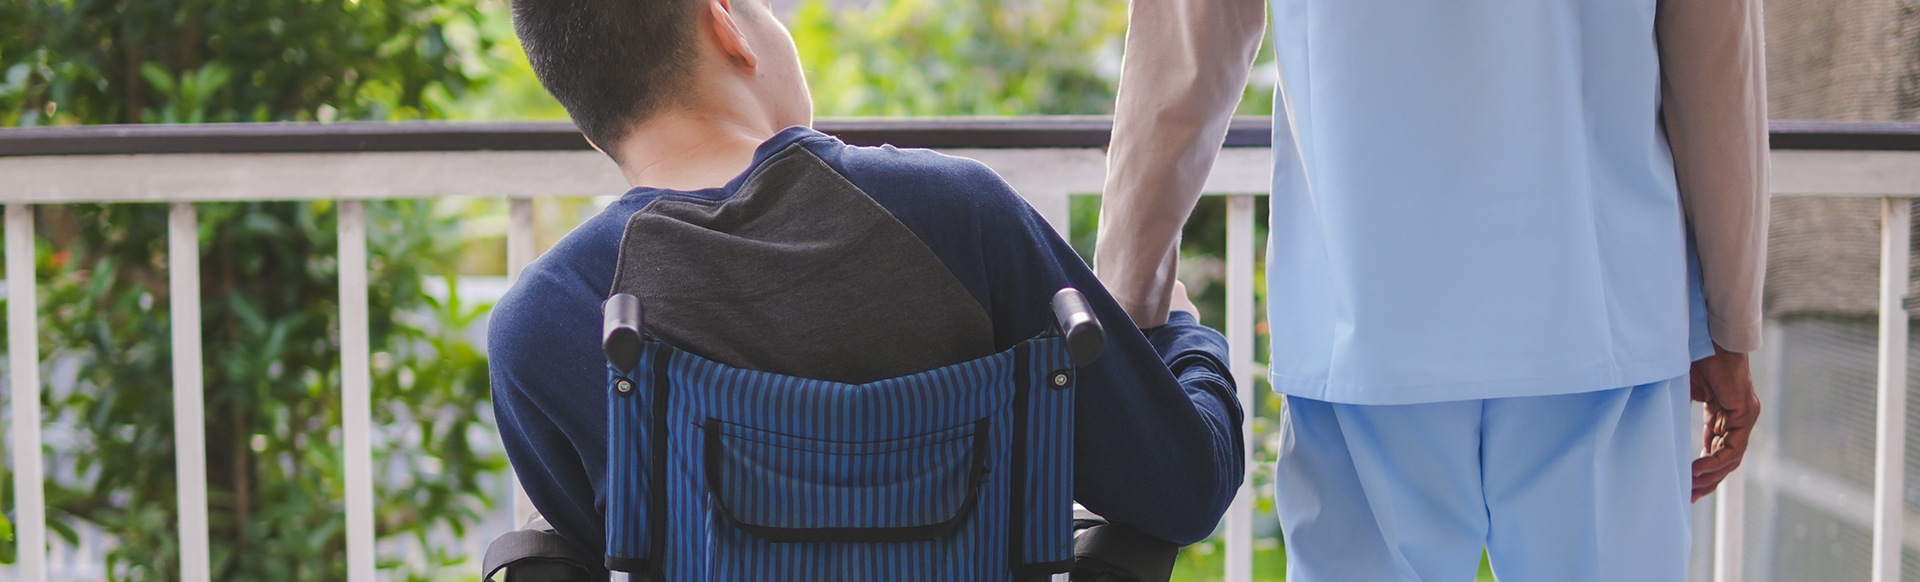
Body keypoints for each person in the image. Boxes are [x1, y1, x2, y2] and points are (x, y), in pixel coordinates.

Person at [486, 0, 1244, 567]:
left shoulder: (545, 324)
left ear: (590, 126)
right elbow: (1185, 491)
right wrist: (1179, 335)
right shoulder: (956, 216)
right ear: (728, 26)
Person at [1095, 0, 1768, 579]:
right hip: (1598, 310)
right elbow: (1716, 64)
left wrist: (1126, 314)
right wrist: (1729, 322)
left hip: (1368, 316)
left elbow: (1180, 62)